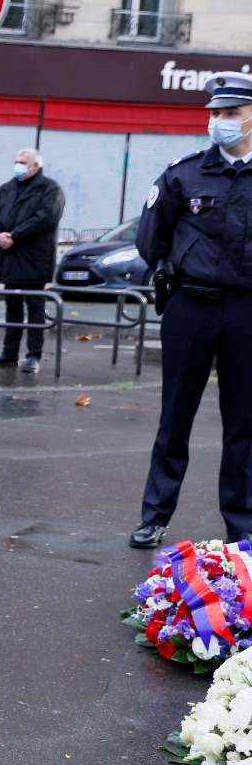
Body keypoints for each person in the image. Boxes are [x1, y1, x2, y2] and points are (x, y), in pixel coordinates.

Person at [130, 72, 252, 551]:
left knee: (243, 422)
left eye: (231, 114)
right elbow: (150, 239)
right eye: (215, 114)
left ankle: (241, 524)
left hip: (247, 311)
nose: (220, 122)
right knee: (175, 417)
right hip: (191, 308)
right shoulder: (183, 174)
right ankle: (154, 516)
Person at [0, 148, 63, 374]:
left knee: (35, 307)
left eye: (22, 162)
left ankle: (33, 355)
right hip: (10, 257)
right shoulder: (7, 188)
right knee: (12, 306)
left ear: (35, 166)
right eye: (16, 161)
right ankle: (9, 353)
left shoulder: (50, 189)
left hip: (35, 258)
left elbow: (46, 218)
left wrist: (14, 235)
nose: (17, 165)